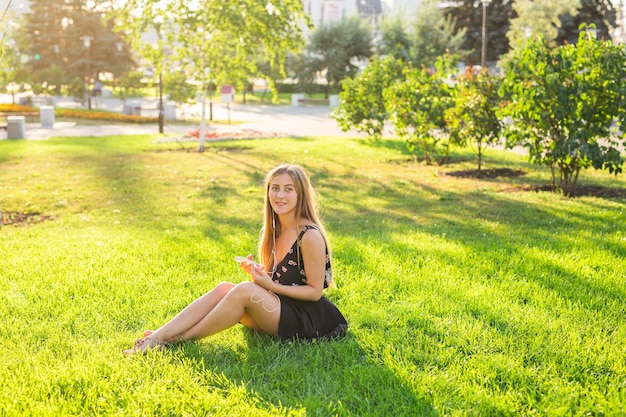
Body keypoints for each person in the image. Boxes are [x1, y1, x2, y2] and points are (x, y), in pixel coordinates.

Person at [124, 164, 348, 354]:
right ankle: (163, 335)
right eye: (275, 188)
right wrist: (260, 275)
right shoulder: (272, 231)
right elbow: (280, 280)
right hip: (282, 309)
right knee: (225, 288)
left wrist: (270, 285)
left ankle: (169, 340)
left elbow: (314, 292)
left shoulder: (309, 236)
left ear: (300, 195)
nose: (280, 195)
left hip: (307, 319)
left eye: (288, 189)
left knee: (242, 291)